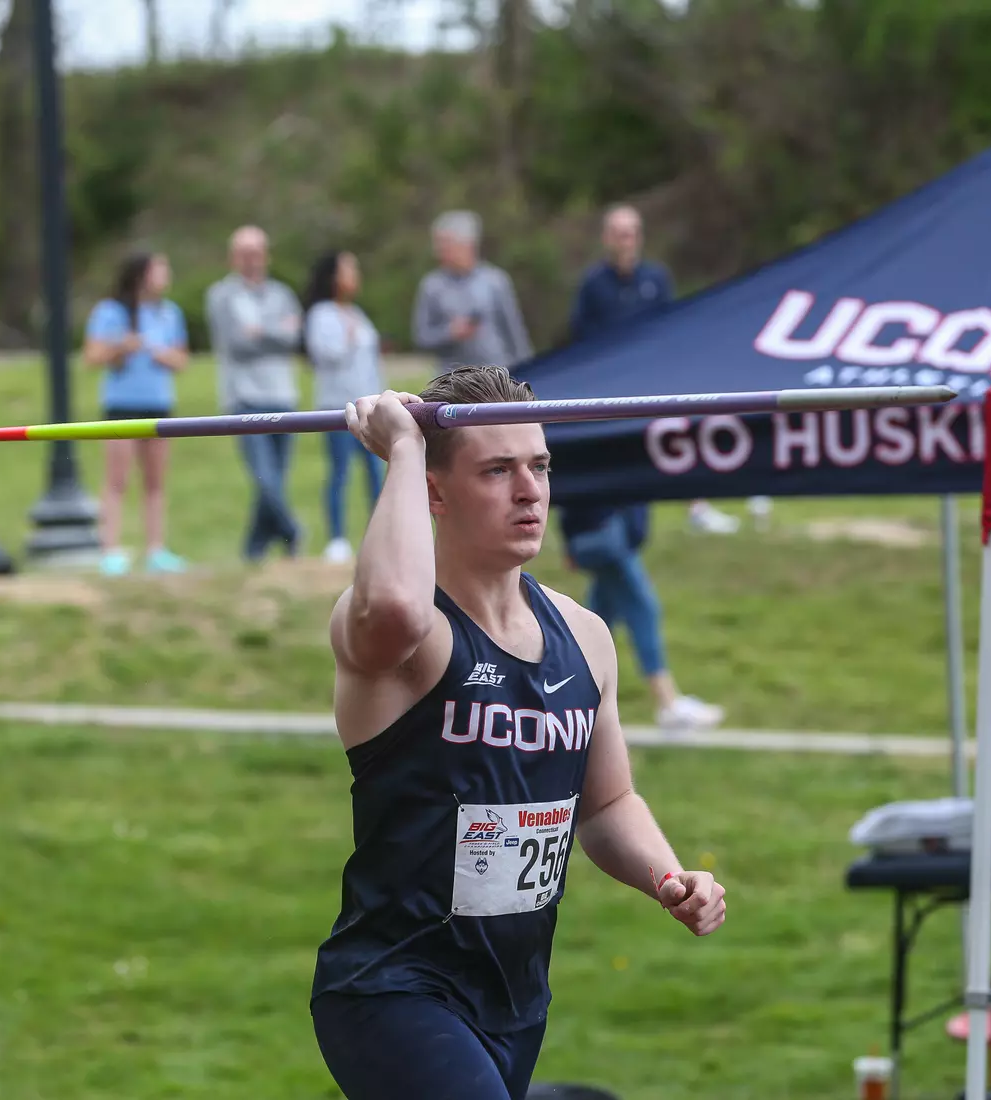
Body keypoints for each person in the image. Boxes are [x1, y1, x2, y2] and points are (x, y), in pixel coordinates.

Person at [310, 366, 728, 1100]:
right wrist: (402, 449)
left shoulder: (585, 636)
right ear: (436, 493)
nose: (530, 490)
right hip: (395, 989)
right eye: (497, 470)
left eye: (540, 465)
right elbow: (393, 608)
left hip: (514, 999)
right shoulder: (412, 633)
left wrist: (668, 877)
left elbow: (606, 804)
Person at [563, 204, 724, 730]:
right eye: (617, 232)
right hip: (597, 519)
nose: (625, 240)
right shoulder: (593, 292)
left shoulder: (657, 282)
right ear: (606, 238)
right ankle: (667, 702)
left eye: (631, 232)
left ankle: (559, 694)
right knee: (640, 603)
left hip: (626, 492)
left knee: (600, 613)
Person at [81, 249, 190, 576]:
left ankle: (156, 550)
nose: (166, 275)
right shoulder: (110, 311)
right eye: (160, 269)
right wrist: (121, 348)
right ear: (142, 274)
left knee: (155, 482)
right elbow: (92, 357)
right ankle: (110, 551)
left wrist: (161, 355)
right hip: (121, 406)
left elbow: (182, 360)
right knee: (117, 480)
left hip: (158, 405)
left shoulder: (170, 313)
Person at [206, 225, 306, 563]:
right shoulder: (222, 296)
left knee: (276, 477)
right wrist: (275, 332)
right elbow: (237, 343)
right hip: (244, 396)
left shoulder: (282, 294)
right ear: (233, 257)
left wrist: (260, 332)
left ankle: (254, 550)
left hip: (283, 394)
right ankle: (292, 530)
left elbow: (294, 338)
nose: (251, 260)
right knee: (265, 477)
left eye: (257, 252)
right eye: (244, 253)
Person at [302, 248, 386, 564]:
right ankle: (337, 540)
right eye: (349, 269)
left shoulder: (358, 314)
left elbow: (372, 363)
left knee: (376, 472)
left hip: (371, 408)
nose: (355, 275)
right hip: (338, 408)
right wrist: (347, 339)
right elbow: (324, 356)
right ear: (334, 277)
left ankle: (381, 536)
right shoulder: (321, 315)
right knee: (340, 472)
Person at [411, 210, 533, 375]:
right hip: (453, 379)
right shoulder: (431, 286)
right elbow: (421, 338)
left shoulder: (495, 281)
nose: (438, 251)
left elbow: (515, 333)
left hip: (496, 376)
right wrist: (450, 332)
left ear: (468, 244)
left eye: (446, 244)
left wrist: (528, 370)